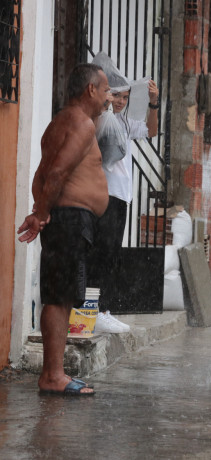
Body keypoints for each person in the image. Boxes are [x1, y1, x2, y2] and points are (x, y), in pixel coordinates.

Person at [17, 63, 112, 396]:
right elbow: (56, 173)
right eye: (104, 90)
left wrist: (40, 211)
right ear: (90, 90)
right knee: (59, 299)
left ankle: (53, 374)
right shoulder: (82, 124)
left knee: (60, 295)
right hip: (70, 218)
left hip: (64, 218)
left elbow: (41, 176)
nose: (108, 97)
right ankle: (53, 375)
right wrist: (41, 213)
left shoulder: (59, 122)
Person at [87, 79, 159, 333]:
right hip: (104, 195)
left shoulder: (125, 122)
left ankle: (101, 310)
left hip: (122, 197)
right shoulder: (98, 118)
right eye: (116, 95)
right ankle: (93, 310)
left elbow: (151, 131)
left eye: (125, 97)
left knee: (111, 255)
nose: (120, 101)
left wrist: (153, 104)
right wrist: (104, 106)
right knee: (101, 255)